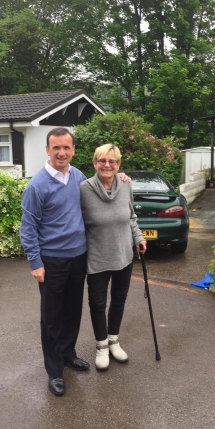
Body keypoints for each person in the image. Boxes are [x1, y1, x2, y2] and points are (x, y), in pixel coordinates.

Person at [20, 128, 130, 397]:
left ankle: (68, 353)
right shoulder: (37, 185)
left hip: (79, 256)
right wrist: (35, 262)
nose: (61, 153)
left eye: (66, 148)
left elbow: (106, 185)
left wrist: (124, 177)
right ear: (47, 150)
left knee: (72, 311)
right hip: (52, 260)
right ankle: (55, 370)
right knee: (51, 317)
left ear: (73, 150)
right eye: (56, 148)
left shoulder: (78, 177)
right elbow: (28, 227)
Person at [80, 144, 147, 371]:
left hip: (124, 255)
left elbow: (131, 216)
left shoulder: (126, 185)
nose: (107, 165)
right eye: (102, 161)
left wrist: (138, 237)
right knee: (97, 304)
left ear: (119, 165)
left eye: (112, 161)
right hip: (97, 258)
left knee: (119, 300)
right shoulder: (84, 189)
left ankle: (113, 340)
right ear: (94, 163)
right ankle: (101, 346)